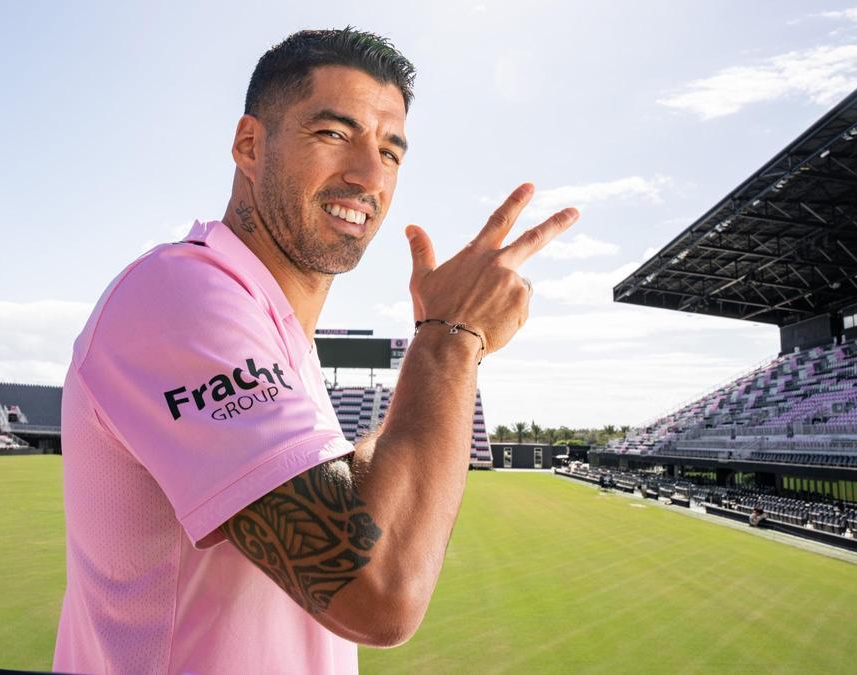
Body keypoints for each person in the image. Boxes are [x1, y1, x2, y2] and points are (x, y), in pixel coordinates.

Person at [52, 28, 579, 674]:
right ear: (250, 145)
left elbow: (361, 497)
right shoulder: (180, 298)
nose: (367, 176)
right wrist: (451, 339)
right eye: (334, 134)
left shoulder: (272, 333)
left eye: (390, 151)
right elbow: (378, 590)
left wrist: (440, 338)